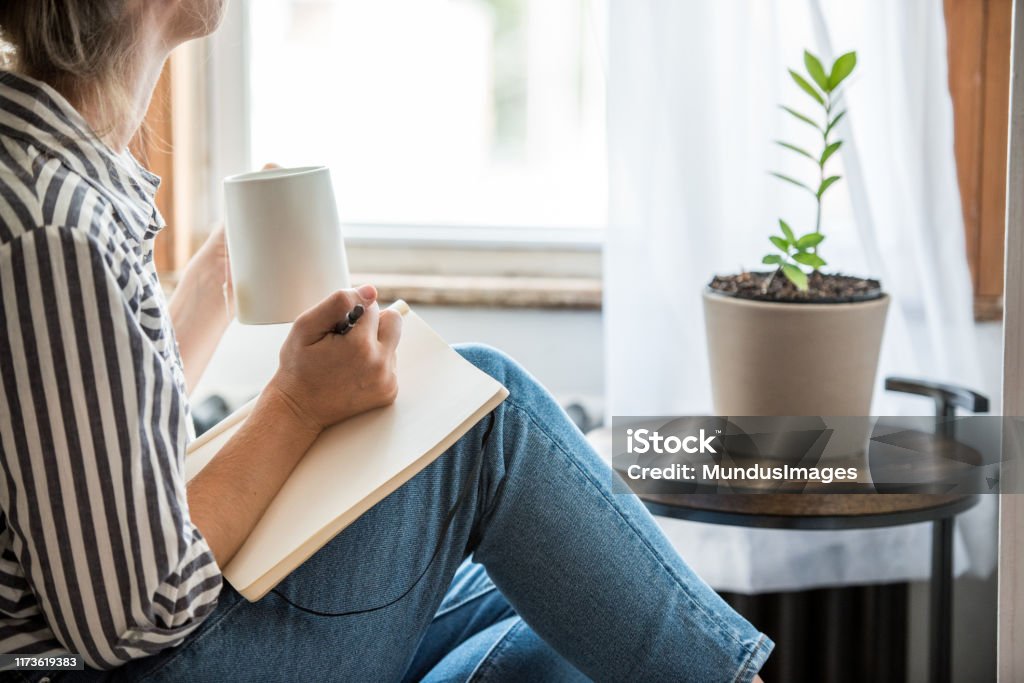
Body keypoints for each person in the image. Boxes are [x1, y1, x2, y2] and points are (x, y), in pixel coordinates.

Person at [0, 2, 772, 681]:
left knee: (572, 591)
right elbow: (134, 610)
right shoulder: (53, 228)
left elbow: (91, 463)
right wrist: (297, 405)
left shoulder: (44, 175)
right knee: (487, 414)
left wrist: (206, 296)